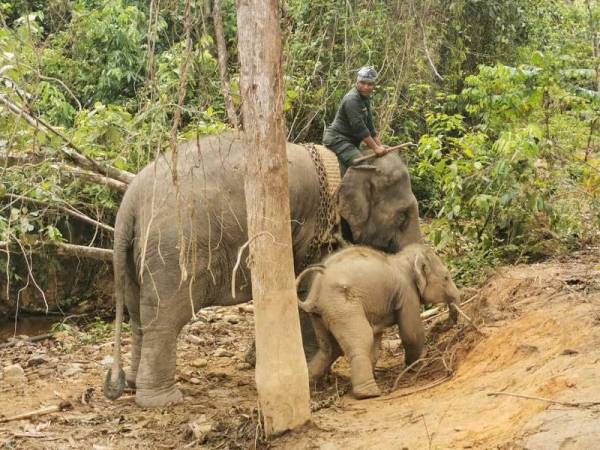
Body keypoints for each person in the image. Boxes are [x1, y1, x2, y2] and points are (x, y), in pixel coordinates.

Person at [323, 65, 386, 175]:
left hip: (350, 142)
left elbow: (370, 126)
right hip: (338, 139)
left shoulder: (365, 98)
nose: (366, 87)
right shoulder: (352, 99)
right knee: (363, 167)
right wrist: (376, 148)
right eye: (362, 83)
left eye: (370, 84)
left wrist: (379, 146)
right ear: (357, 82)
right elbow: (359, 128)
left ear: (374, 85)